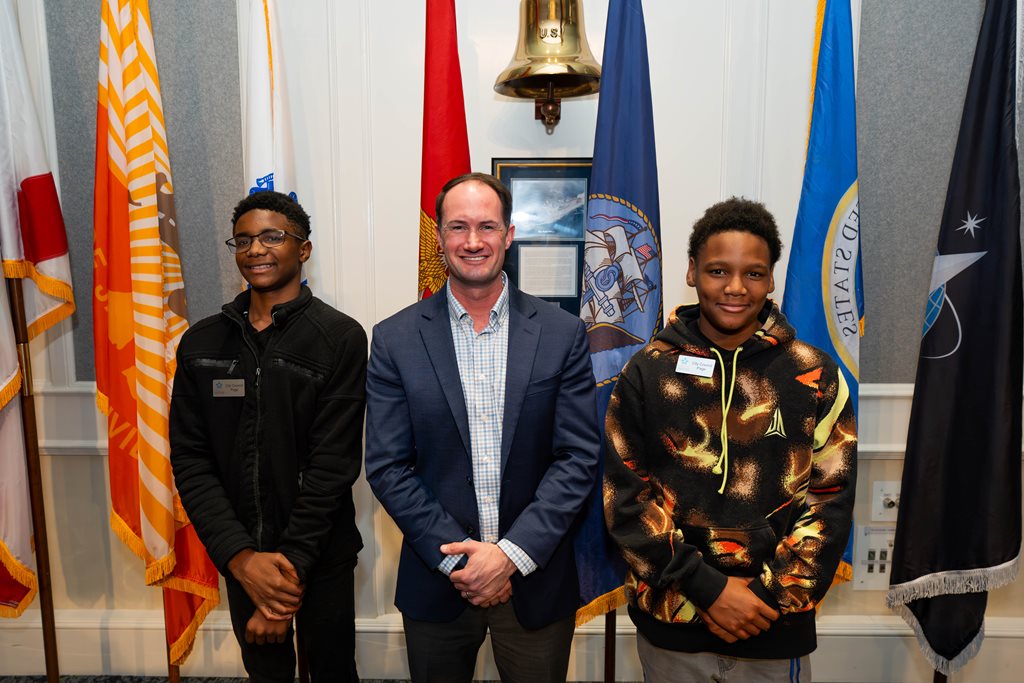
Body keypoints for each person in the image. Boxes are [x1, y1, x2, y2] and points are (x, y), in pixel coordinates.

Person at [603, 198, 856, 682]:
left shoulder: (814, 373)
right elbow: (626, 500)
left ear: (771, 279)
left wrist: (763, 599)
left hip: (774, 624)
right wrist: (707, 589)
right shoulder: (647, 371)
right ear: (692, 272)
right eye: (718, 270)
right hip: (673, 624)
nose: (736, 287)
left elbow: (831, 500)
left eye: (753, 273)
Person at [364, 172, 600, 683]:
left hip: (535, 580)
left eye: (487, 227)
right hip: (438, 581)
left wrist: (509, 557)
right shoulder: (394, 339)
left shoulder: (562, 334)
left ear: (508, 235)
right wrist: (465, 563)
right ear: (440, 237)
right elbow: (387, 466)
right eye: (459, 227)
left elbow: (578, 457)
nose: (473, 241)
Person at [170, 191, 366, 682]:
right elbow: (191, 460)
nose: (255, 249)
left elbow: (333, 466)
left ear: (304, 249)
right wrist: (241, 559)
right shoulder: (200, 343)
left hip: (321, 552)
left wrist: (283, 585)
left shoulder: (340, 337)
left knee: (333, 672)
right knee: (265, 674)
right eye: (243, 240)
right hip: (241, 552)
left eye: (272, 237)